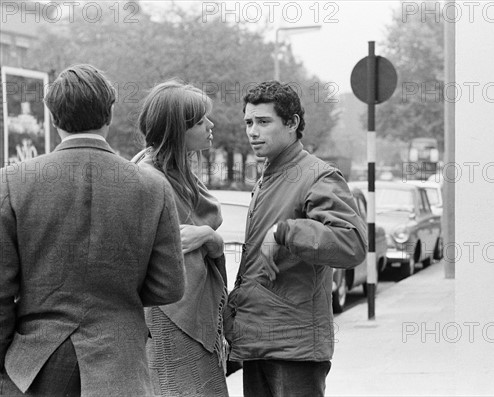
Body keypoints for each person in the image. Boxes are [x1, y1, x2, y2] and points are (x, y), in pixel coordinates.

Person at [0, 64, 185, 396]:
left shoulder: (13, 181)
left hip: (33, 366)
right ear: (109, 114)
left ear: (53, 118)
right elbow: (169, 286)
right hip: (121, 367)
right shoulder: (152, 187)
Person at [225, 81, 367, 397]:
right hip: (260, 339)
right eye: (248, 122)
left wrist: (286, 232)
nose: (253, 132)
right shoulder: (269, 176)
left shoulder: (317, 175)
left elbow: (352, 243)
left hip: (295, 348)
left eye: (264, 122)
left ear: (292, 123)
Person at [132, 80, 229, 397]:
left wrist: (207, 237)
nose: (210, 126)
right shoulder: (149, 179)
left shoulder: (180, 173)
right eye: (201, 121)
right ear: (177, 130)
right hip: (168, 319)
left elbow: (204, 241)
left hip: (193, 316)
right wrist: (208, 238)